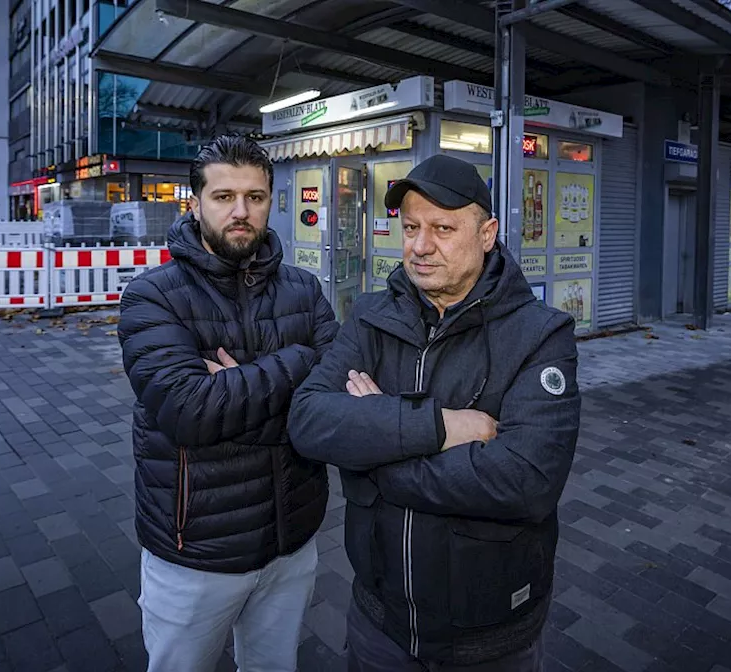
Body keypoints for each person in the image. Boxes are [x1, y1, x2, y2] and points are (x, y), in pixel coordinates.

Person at [288, 154, 582, 670]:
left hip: (488, 636)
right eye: (411, 228)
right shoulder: (369, 317)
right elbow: (309, 420)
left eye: (443, 228)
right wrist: (440, 426)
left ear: (487, 233)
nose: (421, 246)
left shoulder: (540, 335)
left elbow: (526, 480)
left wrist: (374, 447)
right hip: (379, 619)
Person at [117, 135, 339, 672]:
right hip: (197, 550)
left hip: (291, 539)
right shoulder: (153, 296)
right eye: (223, 197)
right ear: (194, 204)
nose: (241, 212)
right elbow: (189, 413)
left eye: (255, 197)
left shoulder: (304, 289)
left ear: (270, 199)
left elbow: (334, 406)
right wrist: (299, 364)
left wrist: (238, 394)